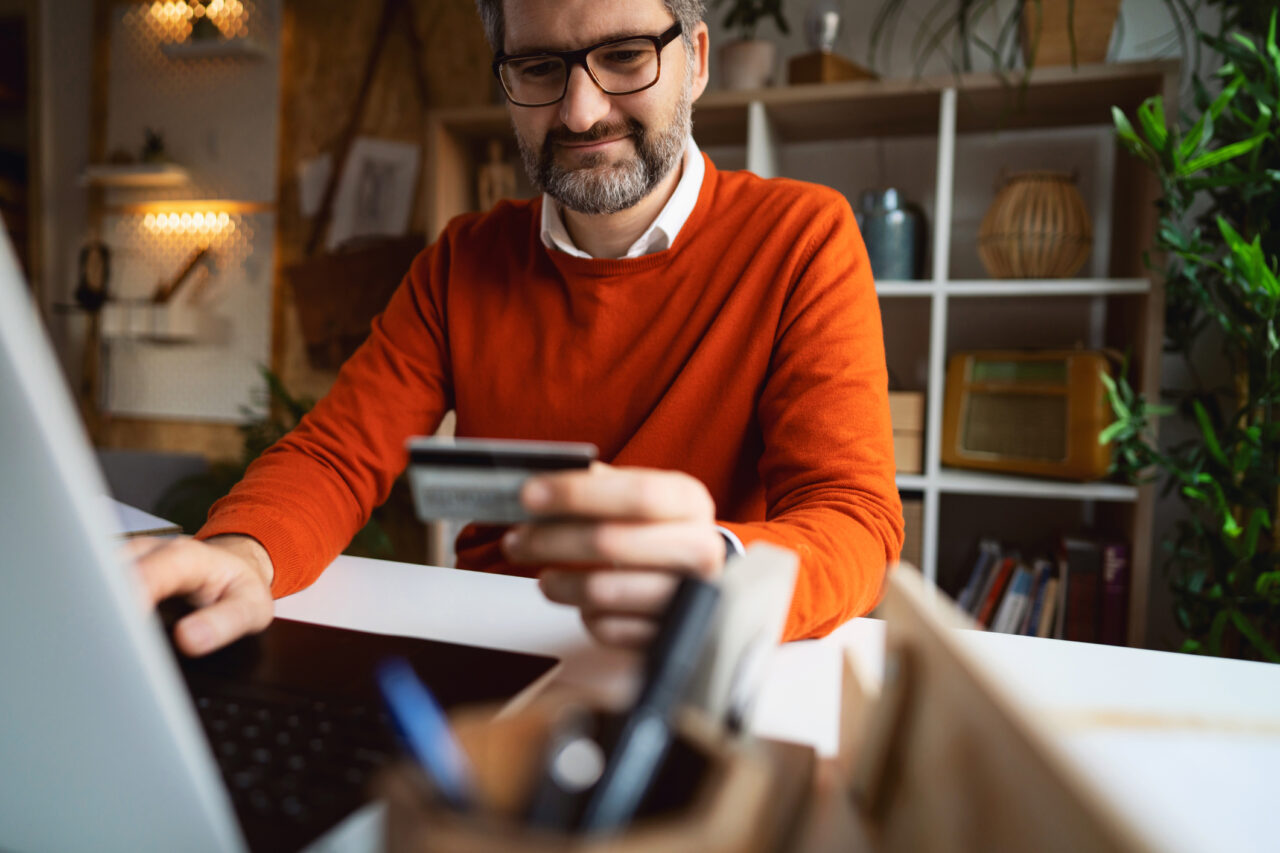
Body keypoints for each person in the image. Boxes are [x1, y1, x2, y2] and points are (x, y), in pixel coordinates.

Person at [131, 0, 904, 658]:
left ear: (695, 61)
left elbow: (852, 515)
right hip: (489, 654)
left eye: (626, 56)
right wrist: (245, 549)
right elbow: (339, 454)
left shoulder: (804, 237)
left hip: (687, 658)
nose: (581, 110)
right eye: (538, 68)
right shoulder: (463, 259)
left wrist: (716, 571)